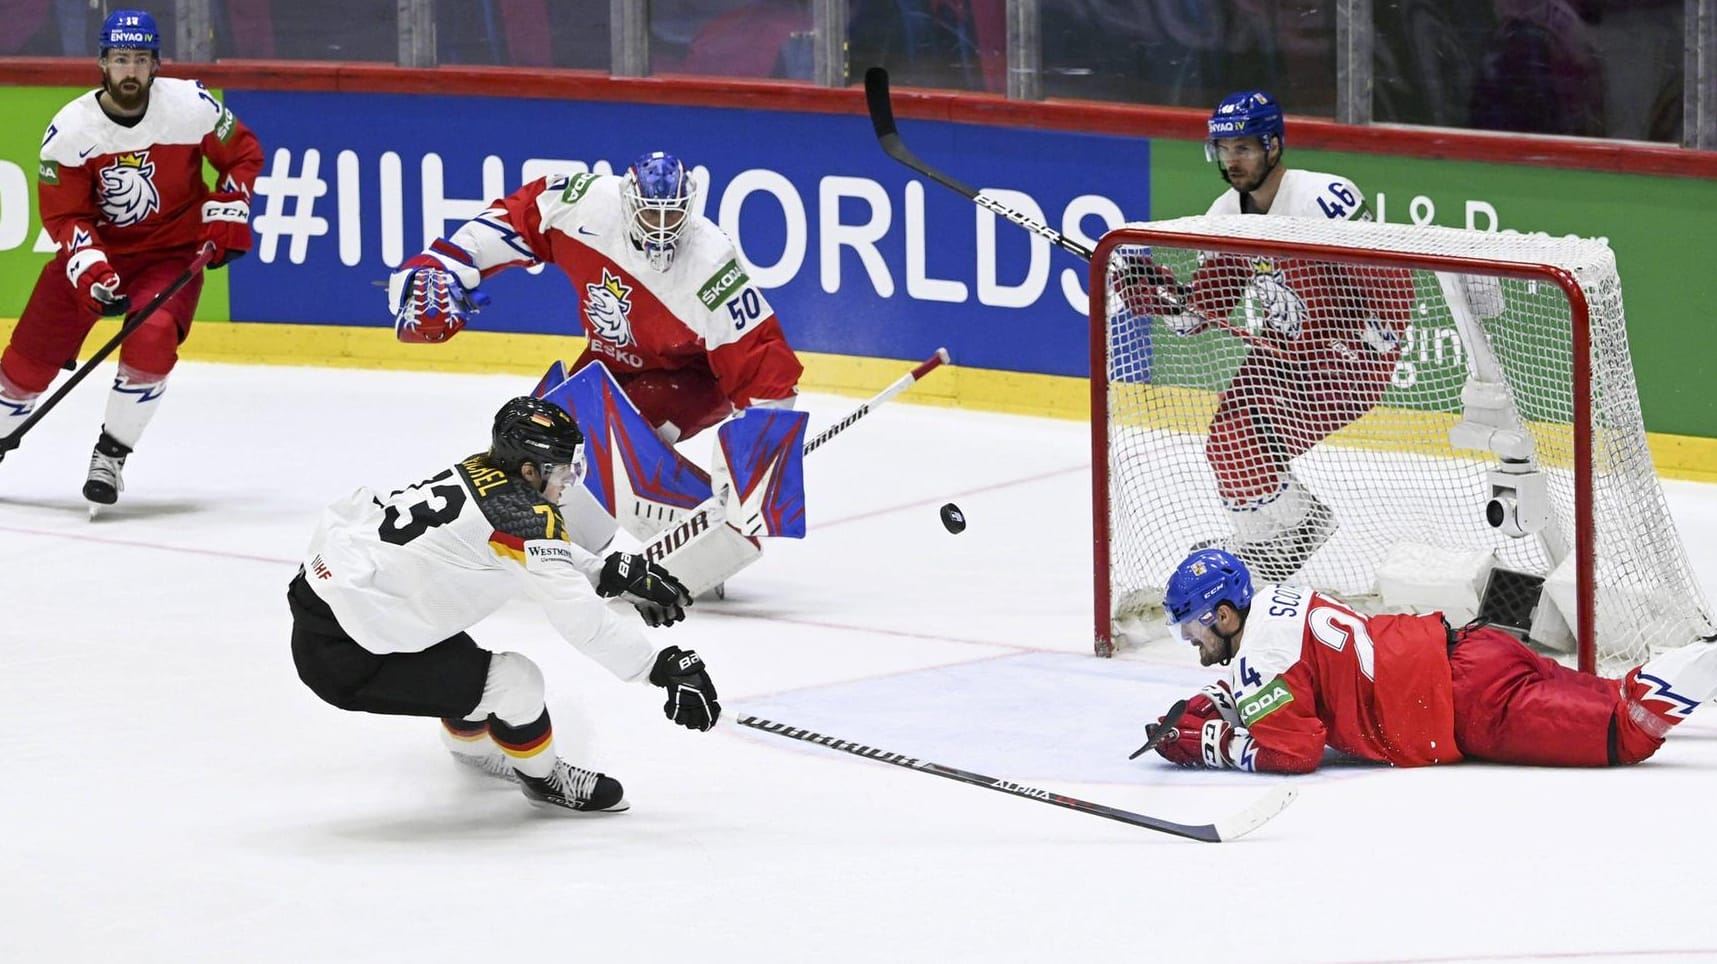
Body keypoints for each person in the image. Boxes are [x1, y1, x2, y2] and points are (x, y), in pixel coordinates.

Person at [287, 395, 721, 813]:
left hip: (340, 608)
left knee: (468, 663)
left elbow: (518, 540)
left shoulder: (481, 468)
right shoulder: (525, 518)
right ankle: (544, 780)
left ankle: (469, 748)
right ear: (529, 470)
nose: (569, 481)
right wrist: (655, 668)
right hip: (349, 656)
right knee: (517, 683)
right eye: (561, 471)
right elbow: (582, 621)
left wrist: (603, 570)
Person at [1121, 90, 1415, 583]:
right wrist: (1161, 296)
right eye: (1224, 149)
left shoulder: (1323, 198)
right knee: (1223, 442)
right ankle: (1271, 541)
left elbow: (1388, 275)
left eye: (1243, 149)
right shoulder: (1224, 215)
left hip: (1346, 360)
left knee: (1250, 441)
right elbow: (1201, 312)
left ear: (1273, 146)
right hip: (1281, 352)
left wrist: (1374, 340)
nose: (1231, 161)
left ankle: (1288, 535)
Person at [0, 9, 263, 510]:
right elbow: (67, 217)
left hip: (171, 254)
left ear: (155, 64)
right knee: (25, 365)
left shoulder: (191, 106)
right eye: (120, 59)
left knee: (154, 333)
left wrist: (227, 215)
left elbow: (242, 155)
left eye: (140, 59)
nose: (130, 70)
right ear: (102, 64)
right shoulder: (71, 131)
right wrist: (94, 273)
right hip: (100, 255)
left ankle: (111, 454)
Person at [1140, 548, 1717, 773]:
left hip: (1470, 705)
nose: (1189, 639)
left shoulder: (1259, 660)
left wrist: (1212, 743)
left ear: (1223, 614)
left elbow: (1295, 752)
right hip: (1477, 650)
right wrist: (1221, 703)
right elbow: (1303, 681)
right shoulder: (1277, 602)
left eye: (1192, 624)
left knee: (1626, 729)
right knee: (1610, 695)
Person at [387, 150, 803, 446]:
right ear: (627, 203)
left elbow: (761, 358)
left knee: (608, 444)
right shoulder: (583, 205)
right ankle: (532, 544)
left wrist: (764, 450)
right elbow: (518, 219)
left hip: (695, 379)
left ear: (689, 207)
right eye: (650, 214)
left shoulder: (710, 263)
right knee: (535, 439)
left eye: (671, 214)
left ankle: (685, 538)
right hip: (611, 362)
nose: (661, 227)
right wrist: (444, 263)